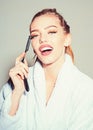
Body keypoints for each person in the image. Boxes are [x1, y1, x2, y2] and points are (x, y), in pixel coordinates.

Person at [0, 8, 93, 130]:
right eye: (35, 35)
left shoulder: (86, 88)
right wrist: (17, 92)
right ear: (31, 44)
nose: (42, 39)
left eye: (51, 32)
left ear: (67, 39)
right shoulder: (16, 83)